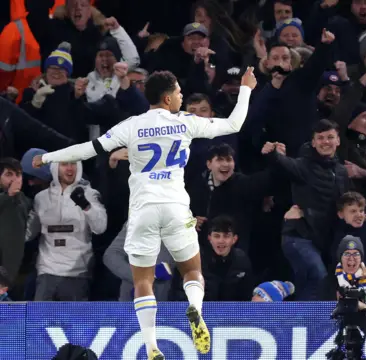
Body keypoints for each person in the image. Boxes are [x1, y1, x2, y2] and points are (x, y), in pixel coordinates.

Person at [31, 68, 257, 360]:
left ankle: (151, 346)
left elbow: (88, 149)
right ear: (166, 98)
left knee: (142, 281)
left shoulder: (132, 125)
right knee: (192, 270)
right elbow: (234, 123)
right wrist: (246, 88)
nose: (181, 96)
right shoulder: (184, 122)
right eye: (178, 92)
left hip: (143, 211)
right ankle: (196, 309)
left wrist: (48, 157)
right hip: (176, 206)